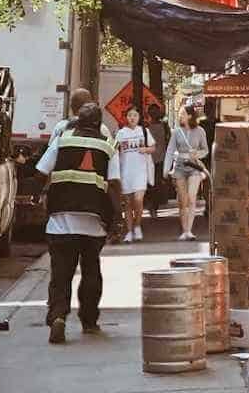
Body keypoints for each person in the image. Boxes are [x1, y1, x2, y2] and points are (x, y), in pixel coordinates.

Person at [35, 101, 121, 344]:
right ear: (99, 123)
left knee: (60, 273)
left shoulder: (62, 140)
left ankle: (58, 316)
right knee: (91, 271)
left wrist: (41, 195)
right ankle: (89, 320)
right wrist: (118, 217)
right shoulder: (107, 146)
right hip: (94, 223)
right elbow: (114, 184)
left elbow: (41, 171)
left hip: (60, 221)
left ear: (77, 121)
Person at [163, 105, 209, 240]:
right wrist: (166, 169)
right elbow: (170, 150)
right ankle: (185, 231)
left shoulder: (200, 131)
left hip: (194, 166)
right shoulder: (176, 132)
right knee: (183, 201)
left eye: (182, 113)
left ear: (190, 116)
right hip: (180, 167)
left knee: (191, 197)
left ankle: (189, 230)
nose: (180, 116)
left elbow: (205, 150)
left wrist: (197, 154)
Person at [114, 107, 154, 241]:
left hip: (141, 171)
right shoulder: (121, 133)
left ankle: (137, 225)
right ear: (126, 117)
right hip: (125, 171)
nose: (132, 118)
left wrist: (146, 149)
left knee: (138, 200)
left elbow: (153, 148)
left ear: (139, 117)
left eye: (135, 115)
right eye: (130, 115)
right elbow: (114, 150)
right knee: (128, 203)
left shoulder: (144, 131)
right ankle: (129, 231)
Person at [146, 105, 170, 219]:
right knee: (150, 183)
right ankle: (151, 205)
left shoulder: (164, 125)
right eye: (152, 112)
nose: (154, 114)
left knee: (156, 183)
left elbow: (168, 140)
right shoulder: (146, 126)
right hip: (149, 158)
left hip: (160, 159)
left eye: (156, 111)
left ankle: (153, 206)